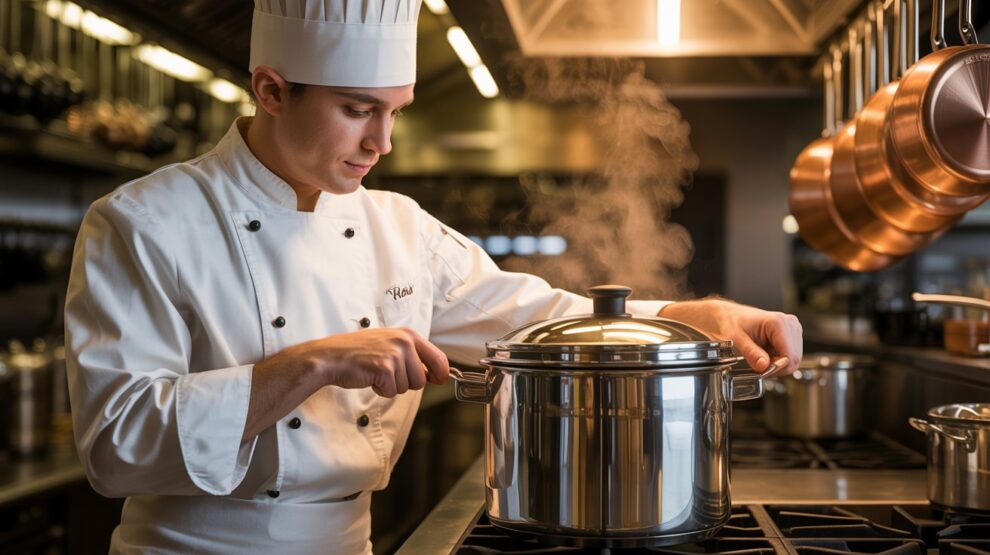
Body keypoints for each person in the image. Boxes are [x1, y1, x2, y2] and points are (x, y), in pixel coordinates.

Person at [63, 0, 803, 553]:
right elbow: (114, 445)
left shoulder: (399, 226)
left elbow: (537, 317)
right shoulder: (142, 222)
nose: (381, 142)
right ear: (271, 89)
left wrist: (690, 314)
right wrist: (312, 362)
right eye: (358, 111)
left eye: (394, 113)